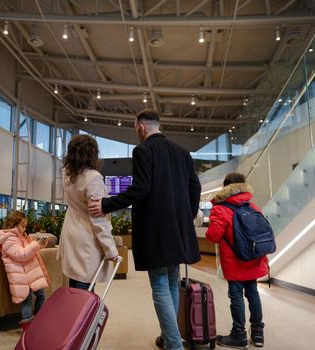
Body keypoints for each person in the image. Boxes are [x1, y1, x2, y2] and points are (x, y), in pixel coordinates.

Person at [88, 109, 201, 350]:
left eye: (135, 129)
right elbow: (195, 188)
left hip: (156, 229)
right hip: (178, 231)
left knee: (160, 284)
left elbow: (140, 189)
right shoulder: (183, 153)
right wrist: (186, 217)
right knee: (171, 282)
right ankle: (169, 337)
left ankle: (174, 345)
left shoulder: (143, 150)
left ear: (141, 127)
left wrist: (107, 204)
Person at [205, 172, 268, 348]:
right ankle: (257, 334)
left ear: (225, 188)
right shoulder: (253, 206)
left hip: (235, 262)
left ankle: (239, 335)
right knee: (253, 293)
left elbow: (213, 236)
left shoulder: (221, 208)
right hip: (254, 259)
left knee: (236, 297)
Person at [57, 134, 118, 291]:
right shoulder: (93, 178)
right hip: (86, 236)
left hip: (70, 231)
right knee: (85, 286)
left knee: (74, 283)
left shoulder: (67, 174)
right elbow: (98, 217)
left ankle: (73, 316)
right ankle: (81, 316)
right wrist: (110, 249)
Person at [0, 210, 50, 332]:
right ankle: (28, 329)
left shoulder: (21, 236)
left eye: (25, 226)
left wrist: (40, 244)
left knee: (41, 295)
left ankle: (38, 322)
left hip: (29, 273)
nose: (25, 229)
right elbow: (21, 254)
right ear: (14, 225)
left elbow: (29, 250)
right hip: (20, 276)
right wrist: (36, 245)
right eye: (22, 226)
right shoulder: (8, 239)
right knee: (27, 300)